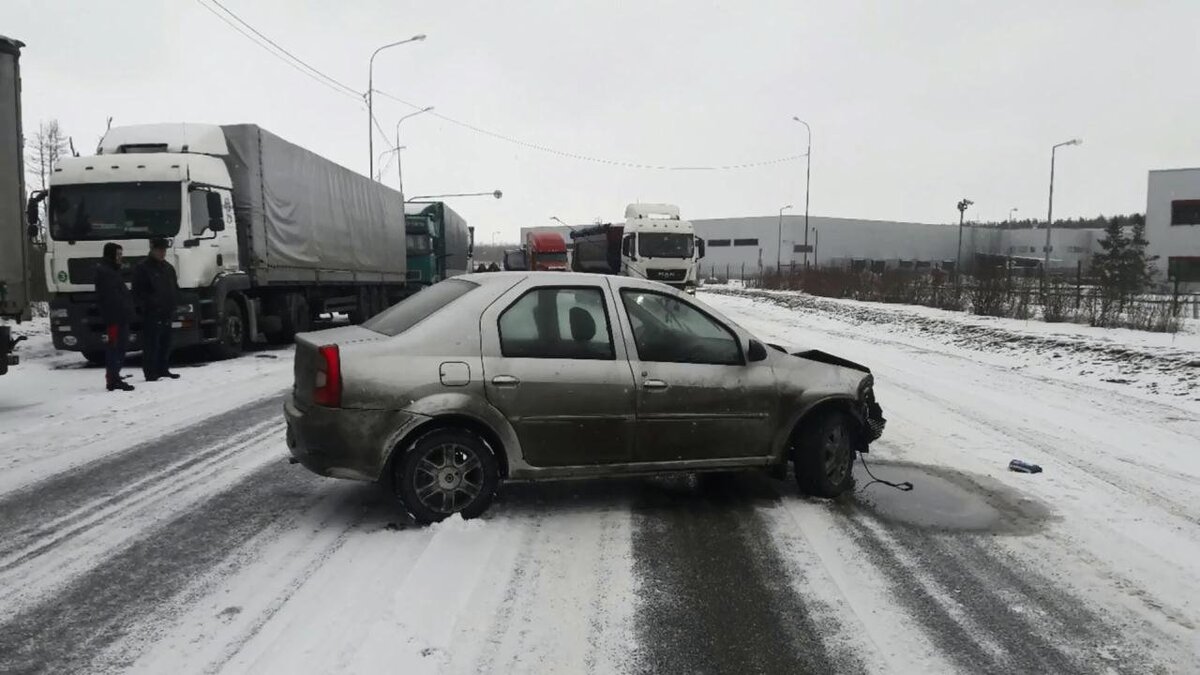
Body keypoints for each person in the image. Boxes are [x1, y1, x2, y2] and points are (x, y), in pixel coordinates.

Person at [133, 237, 180, 381]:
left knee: (166, 343)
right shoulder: (143, 268)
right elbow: (138, 292)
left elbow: (174, 288)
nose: (162, 253)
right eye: (160, 250)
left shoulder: (167, 267)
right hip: (152, 313)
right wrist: (147, 306)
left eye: (164, 250)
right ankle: (150, 371)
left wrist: (174, 304)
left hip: (166, 311)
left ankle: (163, 368)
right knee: (151, 344)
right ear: (152, 250)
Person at [95, 242, 135, 391]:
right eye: (118, 255)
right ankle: (113, 378)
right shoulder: (106, 273)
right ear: (111, 255)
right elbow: (110, 298)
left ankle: (115, 375)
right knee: (115, 347)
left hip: (120, 316)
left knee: (120, 346)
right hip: (114, 318)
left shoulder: (112, 271)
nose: (121, 258)